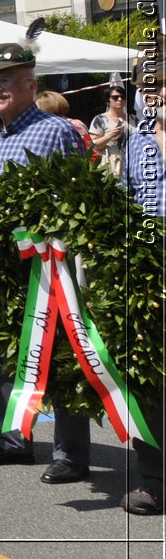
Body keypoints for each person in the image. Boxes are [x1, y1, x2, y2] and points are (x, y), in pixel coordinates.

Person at [0, 43, 90, 482]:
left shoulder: (55, 130)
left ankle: (71, 454)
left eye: (5, 80)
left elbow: (78, 197)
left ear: (31, 85)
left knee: (57, 353)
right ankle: (13, 440)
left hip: (44, 263)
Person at [120, 53, 164, 516]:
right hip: (147, 279)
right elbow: (126, 205)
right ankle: (153, 479)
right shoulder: (138, 145)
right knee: (148, 381)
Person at [90, 85, 133, 176]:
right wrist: (109, 136)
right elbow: (93, 145)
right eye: (115, 97)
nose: (120, 99)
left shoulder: (133, 119)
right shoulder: (100, 119)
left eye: (123, 97)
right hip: (111, 165)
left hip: (132, 163)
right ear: (107, 101)